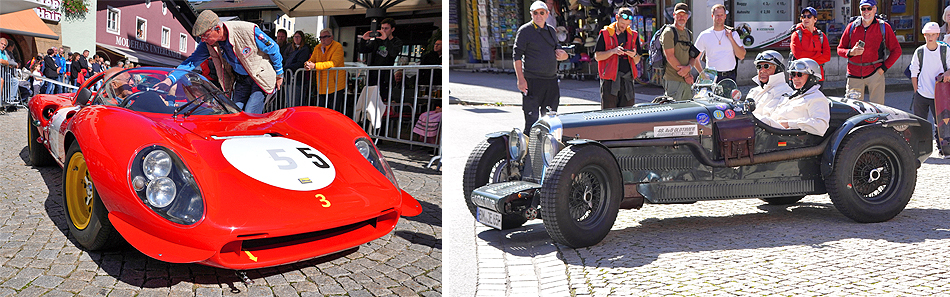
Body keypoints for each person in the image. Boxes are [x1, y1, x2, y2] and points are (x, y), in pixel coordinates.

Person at [175, 9, 284, 114]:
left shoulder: (248, 30)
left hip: (259, 78)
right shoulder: (208, 44)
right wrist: (171, 79)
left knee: (250, 112)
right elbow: (192, 61)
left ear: (217, 29)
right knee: (233, 112)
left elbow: (273, 48)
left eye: (205, 35)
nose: (202, 40)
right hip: (241, 79)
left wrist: (279, 73)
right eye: (200, 37)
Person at [513, 1, 569, 132]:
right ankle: (528, 151)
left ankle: (548, 150)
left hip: (551, 81)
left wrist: (564, 56)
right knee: (531, 122)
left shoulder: (550, 30)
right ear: (531, 14)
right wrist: (520, 79)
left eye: (541, 13)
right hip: (532, 80)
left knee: (550, 121)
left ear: (547, 14)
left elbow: (559, 50)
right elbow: (516, 56)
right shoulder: (525, 31)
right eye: (535, 13)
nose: (539, 16)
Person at [836, 0, 900, 105]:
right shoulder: (852, 26)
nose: (866, 11)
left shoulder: (883, 27)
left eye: (869, 8)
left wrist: (883, 68)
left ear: (875, 9)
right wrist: (851, 52)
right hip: (854, 74)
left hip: (875, 73)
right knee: (853, 109)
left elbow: (896, 50)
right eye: (863, 9)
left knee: (878, 109)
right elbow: (839, 49)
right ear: (860, 10)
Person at [757, 58, 830, 136]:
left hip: (788, 138)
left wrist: (790, 124)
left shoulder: (816, 98)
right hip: (772, 132)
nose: (795, 78)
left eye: (799, 75)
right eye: (793, 74)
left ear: (811, 78)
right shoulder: (790, 95)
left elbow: (821, 126)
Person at [593, 7, 641, 109]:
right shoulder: (605, 33)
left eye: (627, 25)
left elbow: (637, 60)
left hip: (627, 79)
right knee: (609, 114)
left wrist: (634, 55)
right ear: (616, 18)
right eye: (622, 24)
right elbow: (597, 57)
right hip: (610, 80)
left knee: (627, 114)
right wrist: (613, 51)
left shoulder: (633, 35)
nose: (624, 27)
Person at [909, 22, 950, 135]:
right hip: (922, 93)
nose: (930, 37)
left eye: (933, 34)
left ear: (938, 35)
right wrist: (916, 90)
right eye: (927, 34)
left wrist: (947, 73)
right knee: (919, 124)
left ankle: (942, 148)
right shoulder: (920, 51)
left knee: (941, 124)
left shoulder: (944, 50)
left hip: (940, 94)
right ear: (924, 36)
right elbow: (914, 72)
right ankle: (920, 148)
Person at [694, 4, 746, 82]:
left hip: (729, 77)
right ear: (712, 16)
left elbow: (741, 56)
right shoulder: (704, 35)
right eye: (717, 15)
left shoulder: (733, 33)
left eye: (721, 15)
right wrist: (702, 74)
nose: (719, 18)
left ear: (725, 16)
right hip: (711, 77)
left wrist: (731, 39)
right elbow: (694, 58)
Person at [661, 3, 701, 101]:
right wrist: (687, 75)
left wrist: (689, 67)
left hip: (687, 81)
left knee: (687, 112)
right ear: (674, 15)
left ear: (687, 16)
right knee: (674, 112)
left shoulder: (688, 33)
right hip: (673, 80)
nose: (681, 17)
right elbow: (670, 56)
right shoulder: (668, 32)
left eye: (684, 15)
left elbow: (693, 57)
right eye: (679, 15)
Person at [358, 18, 403, 101]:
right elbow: (363, 50)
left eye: (386, 28)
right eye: (382, 28)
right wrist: (363, 40)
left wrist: (386, 39)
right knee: (370, 101)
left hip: (386, 77)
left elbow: (393, 53)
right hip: (373, 75)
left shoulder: (397, 42)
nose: (383, 30)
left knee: (383, 101)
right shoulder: (377, 41)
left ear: (392, 29)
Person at [305, 28, 347, 114]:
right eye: (321, 37)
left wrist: (315, 66)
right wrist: (307, 64)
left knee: (334, 112)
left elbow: (333, 63)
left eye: (325, 37)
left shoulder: (337, 46)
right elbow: (312, 59)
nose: (322, 39)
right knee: (322, 112)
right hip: (322, 86)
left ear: (332, 37)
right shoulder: (317, 47)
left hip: (336, 85)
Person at [747, 50, 793, 119]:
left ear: (778, 69)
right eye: (759, 66)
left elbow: (773, 122)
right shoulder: (754, 91)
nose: (762, 70)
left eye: (766, 66)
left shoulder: (785, 92)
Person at [790, 7, 831, 81]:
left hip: (817, 75)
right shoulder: (796, 35)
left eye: (809, 16)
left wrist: (808, 56)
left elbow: (827, 57)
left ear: (815, 19)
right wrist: (818, 54)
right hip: (799, 76)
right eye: (803, 16)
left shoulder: (821, 36)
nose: (806, 19)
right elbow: (799, 56)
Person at [283, 30, 312, 106]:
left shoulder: (305, 49)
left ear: (302, 38)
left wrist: (285, 68)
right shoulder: (294, 49)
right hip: (290, 79)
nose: (296, 38)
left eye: (298, 37)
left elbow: (300, 63)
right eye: (295, 37)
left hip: (298, 80)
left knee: (296, 102)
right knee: (289, 102)